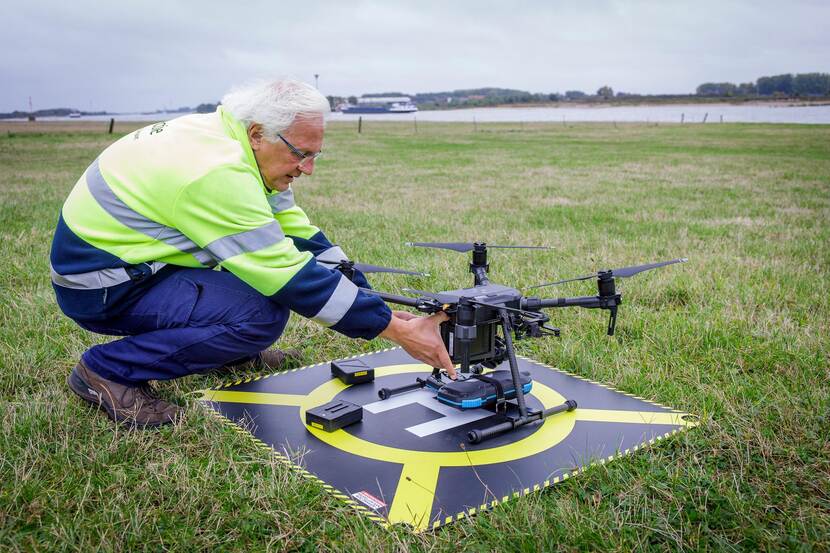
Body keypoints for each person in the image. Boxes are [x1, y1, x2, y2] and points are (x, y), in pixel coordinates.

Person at [50, 78, 455, 428]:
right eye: (301, 153)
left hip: (139, 266)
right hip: (103, 286)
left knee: (254, 298)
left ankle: (224, 349)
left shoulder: (235, 145)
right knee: (260, 314)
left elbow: (297, 235)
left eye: (316, 154)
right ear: (259, 132)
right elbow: (284, 272)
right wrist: (392, 328)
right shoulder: (216, 171)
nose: (308, 168)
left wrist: (370, 298)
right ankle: (107, 370)